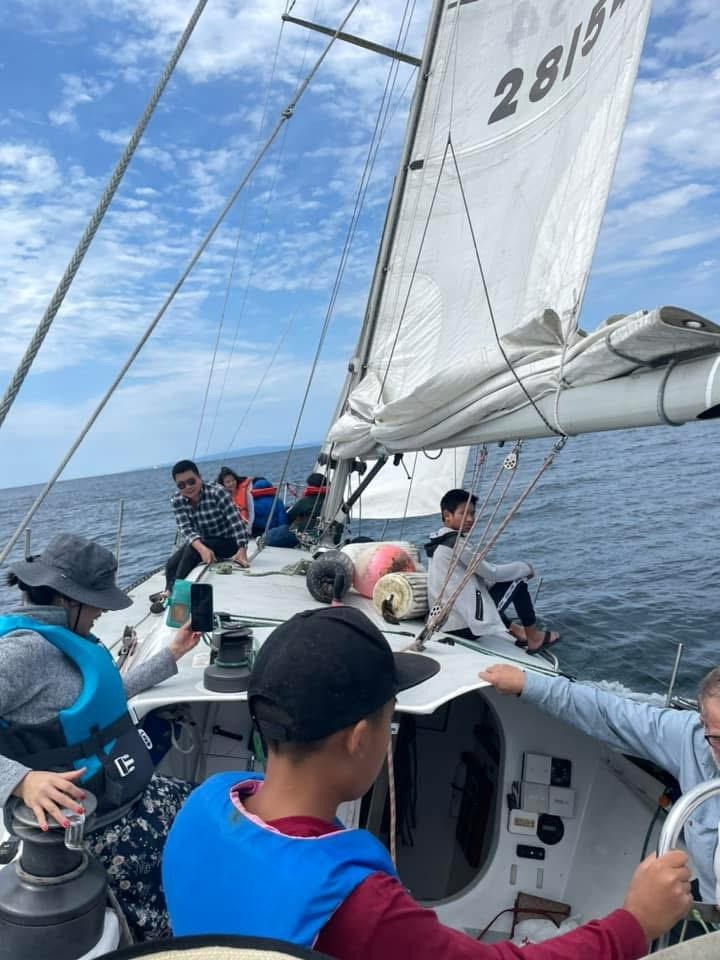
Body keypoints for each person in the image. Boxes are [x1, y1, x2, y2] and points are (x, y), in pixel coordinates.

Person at [162, 605, 691, 959]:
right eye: (390, 719)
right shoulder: (360, 907)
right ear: (357, 737)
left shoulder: (204, 804)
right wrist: (635, 922)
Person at [0, 533, 202, 940]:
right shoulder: (23, 653)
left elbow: (102, 699)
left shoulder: (65, 641)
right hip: (89, 828)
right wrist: (20, 780)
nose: (99, 613)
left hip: (121, 796)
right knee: (171, 894)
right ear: (67, 599)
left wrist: (171, 655)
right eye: (97, 602)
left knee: (205, 806)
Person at [479, 662, 720, 905]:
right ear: (702, 723)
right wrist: (527, 685)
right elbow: (611, 713)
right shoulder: (689, 737)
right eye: (718, 738)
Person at [426, 489, 559, 653]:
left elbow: (480, 579)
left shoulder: (438, 542)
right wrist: (526, 568)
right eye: (463, 514)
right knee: (518, 580)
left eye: (472, 513)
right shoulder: (457, 544)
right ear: (447, 515)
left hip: (444, 624)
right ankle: (534, 638)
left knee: (487, 592)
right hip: (464, 629)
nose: (470, 519)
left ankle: (517, 632)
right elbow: (492, 573)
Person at [151, 460, 250, 612]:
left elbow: (237, 522)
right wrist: (203, 548)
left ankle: (172, 593)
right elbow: (185, 528)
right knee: (171, 564)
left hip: (227, 541)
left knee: (192, 551)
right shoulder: (177, 500)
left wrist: (242, 550)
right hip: (203, 541)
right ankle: (167, 590)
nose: (188, 487)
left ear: (200, 477)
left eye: (191, 481)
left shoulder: (217, 492)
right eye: (181, 485)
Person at [263, 472, 328, 548]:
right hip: (328, 533)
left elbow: (290, 517)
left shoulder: (306, 501)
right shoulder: (333, 499)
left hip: (307, 534)